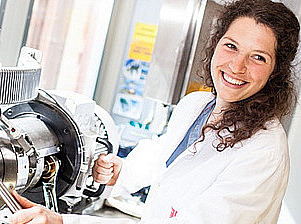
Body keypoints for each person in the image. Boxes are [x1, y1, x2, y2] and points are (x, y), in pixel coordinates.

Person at [10, 0, 300, 223]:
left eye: (258, 57)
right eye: (231, 46)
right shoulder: (197, 105)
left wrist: (64, 220)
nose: (237, 66)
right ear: (215, 44)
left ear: (276, 71)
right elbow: (165, 157)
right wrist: (121, 172)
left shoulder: (264, 151)